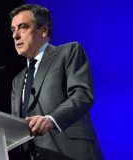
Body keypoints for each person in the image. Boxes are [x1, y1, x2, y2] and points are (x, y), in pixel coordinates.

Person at [9, 4, 103, 160]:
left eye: (22, 27)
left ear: (43, 30)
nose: (15, 35)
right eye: (13, 30)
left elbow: (82, 94)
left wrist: (51, 120)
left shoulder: (68, 52)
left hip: (70, 152)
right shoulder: (17, 81)